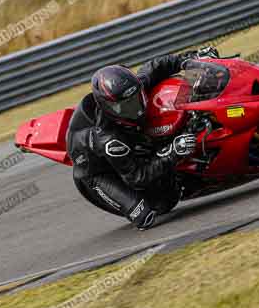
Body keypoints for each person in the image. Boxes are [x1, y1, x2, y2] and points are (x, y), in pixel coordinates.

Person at [66, 47, 219, 230]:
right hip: (96, 173)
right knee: (154, 209)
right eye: (126, 107)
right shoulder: (110, 140)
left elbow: (156, 66)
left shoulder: (131, 89)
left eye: (137, 98)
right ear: (109, 108)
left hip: (129, 142)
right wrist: (172, 152)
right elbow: (138, 176)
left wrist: (191, 59)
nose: (136, 109)